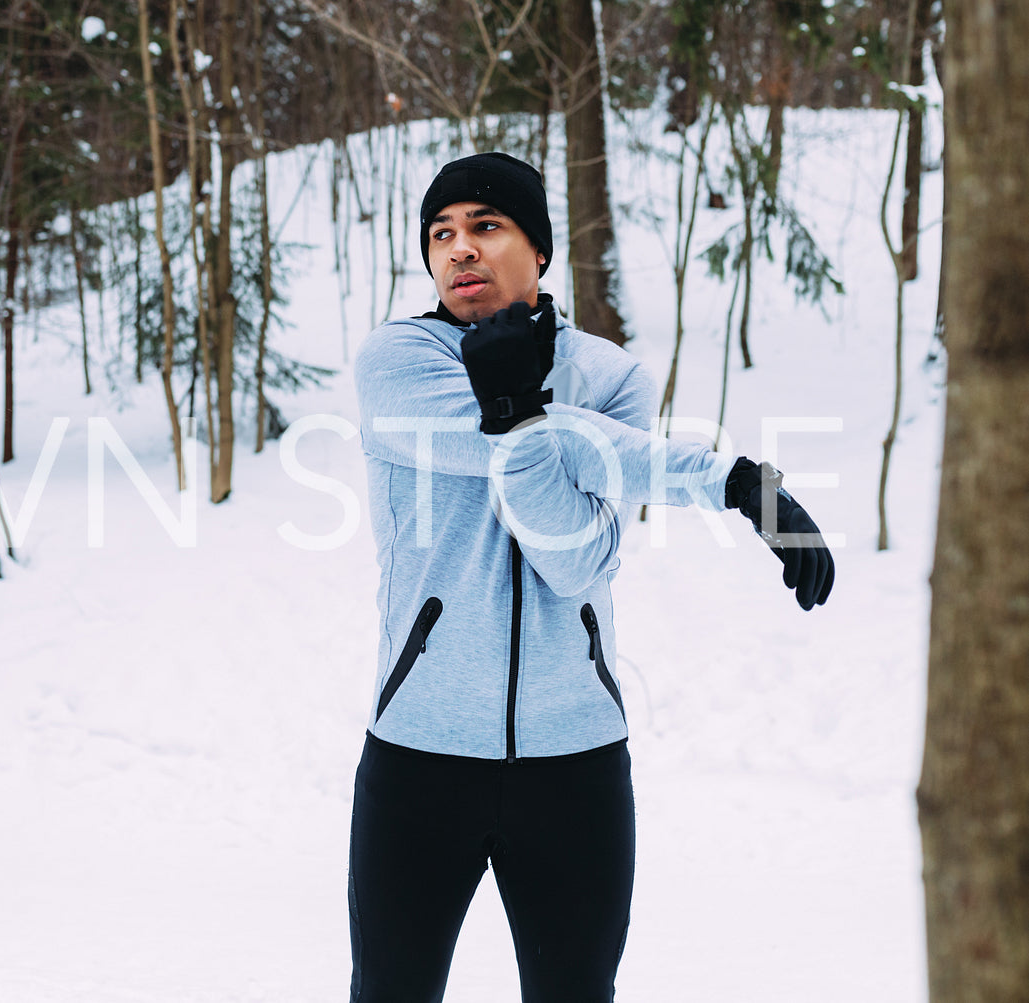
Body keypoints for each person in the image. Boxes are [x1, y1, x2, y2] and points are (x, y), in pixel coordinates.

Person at [347, 152, 835, 1003]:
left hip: (573, 766)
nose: (458, 248)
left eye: (485, 226)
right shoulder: (397, 362)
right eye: (440, 234)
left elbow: (572, 557)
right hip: (419, 758)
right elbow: (537, 443)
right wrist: (725, 481)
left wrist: (516, 414)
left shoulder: (608, 376)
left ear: (537, 250)